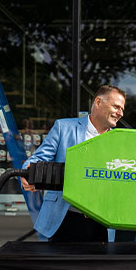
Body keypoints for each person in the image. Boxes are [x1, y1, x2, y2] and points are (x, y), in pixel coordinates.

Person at [21, 85, 126, 242]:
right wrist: (28, 170)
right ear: (98, 102)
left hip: (102, 224)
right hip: (65, 219)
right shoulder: (63, 127)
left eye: (122, 109)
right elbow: (39, 157)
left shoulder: (119, 142)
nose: (120, 113)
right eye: (116, 107)